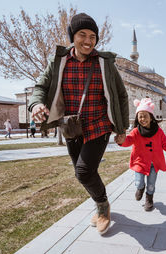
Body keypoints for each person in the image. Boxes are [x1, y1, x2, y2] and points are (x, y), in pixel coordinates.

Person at [28, 13, 129, 235]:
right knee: (80, 172)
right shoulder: (59, 61)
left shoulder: (104, 63)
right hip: (72, 127)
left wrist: (121, 129)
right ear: (72, 36)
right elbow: (40, 87)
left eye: (93, 36)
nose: (88, 40)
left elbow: (121, 95)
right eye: (82, 34)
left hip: (99, 125)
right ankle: (101, 202)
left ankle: (103, 208)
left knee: (84, 172)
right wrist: (35, 104)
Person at [116, 98, 166, 211]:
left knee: (151, 184)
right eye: (140, 116)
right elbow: (128, 141)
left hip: (154, 163)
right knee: (139, 182)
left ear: (151, 117)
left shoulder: (158, 132)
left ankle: (149, 199)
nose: (143, 119)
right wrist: (121, 141)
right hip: (140, 162)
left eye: (145, 116)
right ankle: (140, 188)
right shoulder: (135, 131)